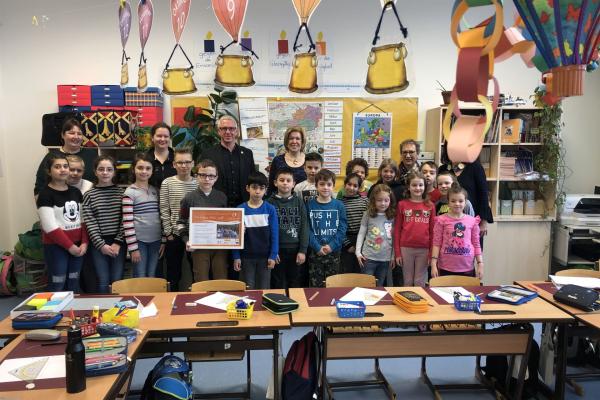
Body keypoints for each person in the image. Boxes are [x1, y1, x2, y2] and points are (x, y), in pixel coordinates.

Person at [37, 154, 88, 291]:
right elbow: (49, 227)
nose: (63, 170)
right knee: (58, 282)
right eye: (57, 167)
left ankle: (72, 311)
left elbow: (83, 220)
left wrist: (84, 242)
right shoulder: (45, 194)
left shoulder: (76, 192)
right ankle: (54, 312)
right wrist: (70, 246)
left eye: (65, 166)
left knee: (73, 281)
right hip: (56, 247)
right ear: (49, 171)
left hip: (78, 246)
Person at [178, 159, 229, 282]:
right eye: (203, 175)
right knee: (201, 279)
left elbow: (227, 221)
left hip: (219, 247)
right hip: (198, 246)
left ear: (216, 178)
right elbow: (180, 222)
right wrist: (186, 241)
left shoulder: (222, 197)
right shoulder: (189, 198)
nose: (207, 179)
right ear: (196, 176)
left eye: (211, 176)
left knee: (221, 278)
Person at [82, 156, 125, 293]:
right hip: (98, 244)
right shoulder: (89, 195)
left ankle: (118, 311)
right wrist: (101, 245)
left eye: (109, 169)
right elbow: (90, 222)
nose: (105, 172)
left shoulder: (122, 193)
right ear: (95, 172)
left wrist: (118, 242)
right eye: (101, 169)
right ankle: (103, 311)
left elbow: (126, 220)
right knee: (103, 279)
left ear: (114, 172)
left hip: (118, 242)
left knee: (117, 279)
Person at [232, 172, 279, 289]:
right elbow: (234, 237)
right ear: (247, 188)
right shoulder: (240, 209)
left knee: (264, 289)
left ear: (266, 190)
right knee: (248, 289)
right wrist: (236, 256)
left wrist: (273, 255)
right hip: (246, 257)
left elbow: (275, 234)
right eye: (254, 187)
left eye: (261, 188)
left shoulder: (270, 209)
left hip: (265, 257)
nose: (257, 191)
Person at [159, 148, 197, 291]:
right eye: (180, 162)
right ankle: (171, 300)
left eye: (187, 162)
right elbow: (164, 209)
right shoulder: (167, 183)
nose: (184, 166)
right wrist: (168, 233)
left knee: (196, 271)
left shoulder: (198, 183)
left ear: (193, 163)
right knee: (173, 273)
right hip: (174, 235)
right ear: (174, 164)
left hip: (194, 235)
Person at [122, 153, 164, 277]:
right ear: (133, 169)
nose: (144, 171)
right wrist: (133, 249)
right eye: (140, 168)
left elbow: (161, 216)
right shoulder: (129, 193)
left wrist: (163, 241)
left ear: (152, 170)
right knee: (140, 275)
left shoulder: (155, 190)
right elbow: (127, 223)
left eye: (148, 168)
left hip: (156, 241)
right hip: (139, 242)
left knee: (152, 275)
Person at [200, 115, 256, 207]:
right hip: (217, 204)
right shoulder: (208, 154)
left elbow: (252, 178)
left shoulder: (247, 153)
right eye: (224, 129)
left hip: (244, 204)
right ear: (218, 131)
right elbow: (203, 179)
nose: (228, 132)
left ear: (237, 131)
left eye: (231, 128)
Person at [431, 183, 484, 279]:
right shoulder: (441, 220)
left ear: (465, 202)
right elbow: (436, 243)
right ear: (448, 202)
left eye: (460, 201)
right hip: (446, 267)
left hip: (467, 267)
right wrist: (433, 264)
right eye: (453, 201)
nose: (457, 204)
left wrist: (480, 263)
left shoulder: (472, 221)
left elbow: (476, 244)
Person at [267, 167, 308, 289]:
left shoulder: (299, 202)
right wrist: (272, 251)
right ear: (275, 183)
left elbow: (304, 226)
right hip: (277, 250)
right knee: (278, 282)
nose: (285, 183)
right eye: (281, 180)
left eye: (288, 180)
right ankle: (279, 306)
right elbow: (267, 230)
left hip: (295, 250)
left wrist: (302, 250)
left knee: (295, 282)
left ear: (294, 184)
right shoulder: (269, 203)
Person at [34, 118, 96, 197]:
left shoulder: (92, 155)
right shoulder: (51, 157)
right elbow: (40, 186)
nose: (76, 137)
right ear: (63, 135)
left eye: (79, 134)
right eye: (71, 133)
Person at [306, 169, 347, 287]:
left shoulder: (339, 205)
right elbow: (307, 229)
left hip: (334, 251)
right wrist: (317, 246)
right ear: (316, 186)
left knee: (332, 285)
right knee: (315, 285)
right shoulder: (310, 205)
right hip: (315, 251)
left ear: (333, 186)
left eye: (329, 184)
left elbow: (342, 228)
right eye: (322, 184)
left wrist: (332, 245)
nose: (325, 187)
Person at [394, 172, 436, 287]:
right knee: (407, 281)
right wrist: (397, 253)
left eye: (421, 185)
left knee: (419, 281)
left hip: (424, 249)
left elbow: (433, 231)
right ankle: (407, 304)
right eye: (414, 185)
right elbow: (397, 230)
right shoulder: (402, 204)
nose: (418, 188)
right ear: (408, 187)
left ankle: (419, 304)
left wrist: (431, 254)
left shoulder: (430, 206)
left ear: (425, 187)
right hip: (405, 248)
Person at [438, 157, 493, 241]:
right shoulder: (443, 169)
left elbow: (483, 194)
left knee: (471, 249)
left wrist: (483, 221)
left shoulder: (475, 167)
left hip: (472, 218)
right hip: (447, 224)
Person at [356, 184, 396, 286]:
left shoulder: (393, 216)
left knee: (379, 286)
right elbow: (361, 233)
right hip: (368, 258)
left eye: (386, 200)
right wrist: (358, 252)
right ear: (374, 200)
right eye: (379, 200)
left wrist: (393, 256)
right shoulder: (368, 214)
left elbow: (395, 238)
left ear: (390, 200)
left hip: (385, 259)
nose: (383, 203)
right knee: (366, 285)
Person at [340, 173, 368, 274]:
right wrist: (347, 245)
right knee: (347, 271)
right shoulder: (339, 203)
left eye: (355, 186)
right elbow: (338, 227)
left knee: (361, 270)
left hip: (363, 239)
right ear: (344, 185)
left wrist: (364, 241)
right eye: (349, 184)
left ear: (359, 187)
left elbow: (370, 222)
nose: (351, 188)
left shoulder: (365, 201)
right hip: (346, 240)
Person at [267, 126, 307, 195]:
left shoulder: (309, 160)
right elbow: (271, 187)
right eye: (291, 138)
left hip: (305, 203)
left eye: (297, 139)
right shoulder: (277, 160)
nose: (294, 141)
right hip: (281, 203)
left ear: (302, 141)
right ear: (287, 141)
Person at [147, 122, 176, 190]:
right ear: (152, 138)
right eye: (159, 136)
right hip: (151, 199)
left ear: (170, 138)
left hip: (174, 199)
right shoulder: (145, 159)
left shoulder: (177, 159)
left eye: (166, 136)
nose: (162, 139)